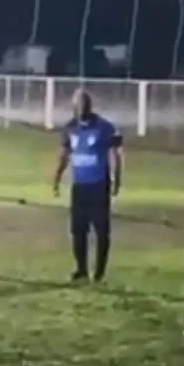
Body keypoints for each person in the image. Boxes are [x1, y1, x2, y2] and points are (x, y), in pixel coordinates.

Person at [51, 90, 123, 282]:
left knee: (101, 230)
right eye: (78, 104)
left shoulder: (105, 127)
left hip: (99, 185)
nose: (81, 108)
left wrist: (117, 178)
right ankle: (81, 268)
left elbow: (115, 155)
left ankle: (99, 272)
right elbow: (63, 155)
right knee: (78, 230)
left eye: (84, 104)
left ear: (90, 106)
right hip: (79, 186)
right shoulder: (70, 128)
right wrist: (57, 178)